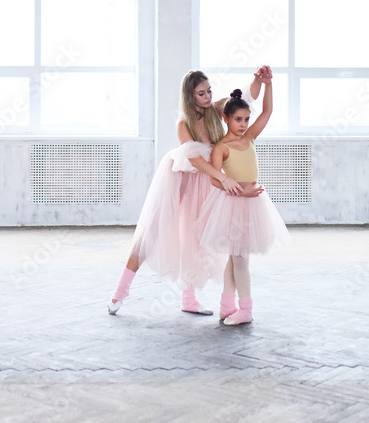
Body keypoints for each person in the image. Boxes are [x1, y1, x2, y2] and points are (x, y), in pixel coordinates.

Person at [109, 67, 270, 315]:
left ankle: (189, 299)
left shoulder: (216, 110)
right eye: (201, 93)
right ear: (190, 96)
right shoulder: (183, 123)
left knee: (194, 239)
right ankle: (119, 293)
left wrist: (258, 80)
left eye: (209, 91)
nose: (207, 97)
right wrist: (222, 177)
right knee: (150, 234)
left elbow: (246, 99)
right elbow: (194, 159)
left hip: (207, 182)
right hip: (180, 180)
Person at [197, 73, 290, 326]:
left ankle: (242, 309)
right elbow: (215, 180)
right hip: (235, 203)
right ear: (225, 119)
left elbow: (268, 111)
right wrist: (240, 190)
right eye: (238, 119)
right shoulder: (221, 147)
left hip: (253, 203)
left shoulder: (249, 139)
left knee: (239, 258)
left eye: (246, 119)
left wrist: (268, 84)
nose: (243, 124)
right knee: (236, 258)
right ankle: (231, 307)